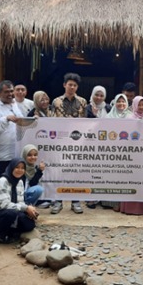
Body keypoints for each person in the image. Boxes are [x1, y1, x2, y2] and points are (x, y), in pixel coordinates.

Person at [51, 73, 87, 214]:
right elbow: (51, 122)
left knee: (75, 172)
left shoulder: (83, 102)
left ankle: (75, 201)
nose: (72, 87)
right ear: (64, 85)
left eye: (75, 85)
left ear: (77, 87)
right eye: (69, 84)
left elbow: (84, 122)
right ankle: (57, 202)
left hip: (77, 142)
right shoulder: (56, 102)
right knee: (58, 171)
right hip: (60, 142)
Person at [0, 158, 38, 244]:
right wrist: (25, 208)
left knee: (30, 224)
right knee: (10, 213)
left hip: (14, 210)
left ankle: (11, 232)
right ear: (11, 168)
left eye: (22, 168)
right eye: (17, 167)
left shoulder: (20, 182)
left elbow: (20, 201)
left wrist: (30, 211)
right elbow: (5, 205)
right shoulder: (3, 181)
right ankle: (0, 236)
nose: (20, 170)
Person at [0, 80, 24, 187]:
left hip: (14, 154)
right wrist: (5, 119)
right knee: (0, 184)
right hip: (0, 157)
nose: (10, 94)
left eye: (11, 91)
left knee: (14, 185)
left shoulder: (15, 105)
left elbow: (21, 122)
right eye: (7, 92)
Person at [119, 96, 143, 215]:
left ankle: (142, 208)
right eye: (139, 104)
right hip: (131, 154)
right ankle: (128, 208)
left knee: (142, 180)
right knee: (130, 180)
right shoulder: (129, 118)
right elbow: (124, 135)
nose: (142, 107)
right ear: (134, 105)